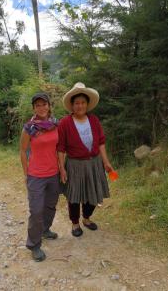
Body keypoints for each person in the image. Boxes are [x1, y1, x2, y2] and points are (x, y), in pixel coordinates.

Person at [57, 82, 113, 237]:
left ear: (87, 104)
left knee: (93, 193)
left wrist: (106, 162)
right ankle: (75, 223)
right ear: (72, 105)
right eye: (77, 103)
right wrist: (61, 168)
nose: (80, 106)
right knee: (74, 196)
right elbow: (60, 148)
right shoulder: (65, 123)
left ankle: (86, 218)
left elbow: (101, 142)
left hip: (94, 164)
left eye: (83, 102)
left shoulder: (94, 120)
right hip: (74, 165)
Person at [20, 92, 60, 262]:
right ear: (34, 108)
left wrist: (62, 168)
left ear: (49, 106)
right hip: (36, 175)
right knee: (36, 211)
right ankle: (34, 245)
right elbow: (22, 150)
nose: (42, 107)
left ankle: (45, 230)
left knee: (50, 206)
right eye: (38, 105)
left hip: (54, 173)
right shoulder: (29, 127)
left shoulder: (55, 124)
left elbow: (59, 148)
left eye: (44, 104)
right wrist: (26, 173)